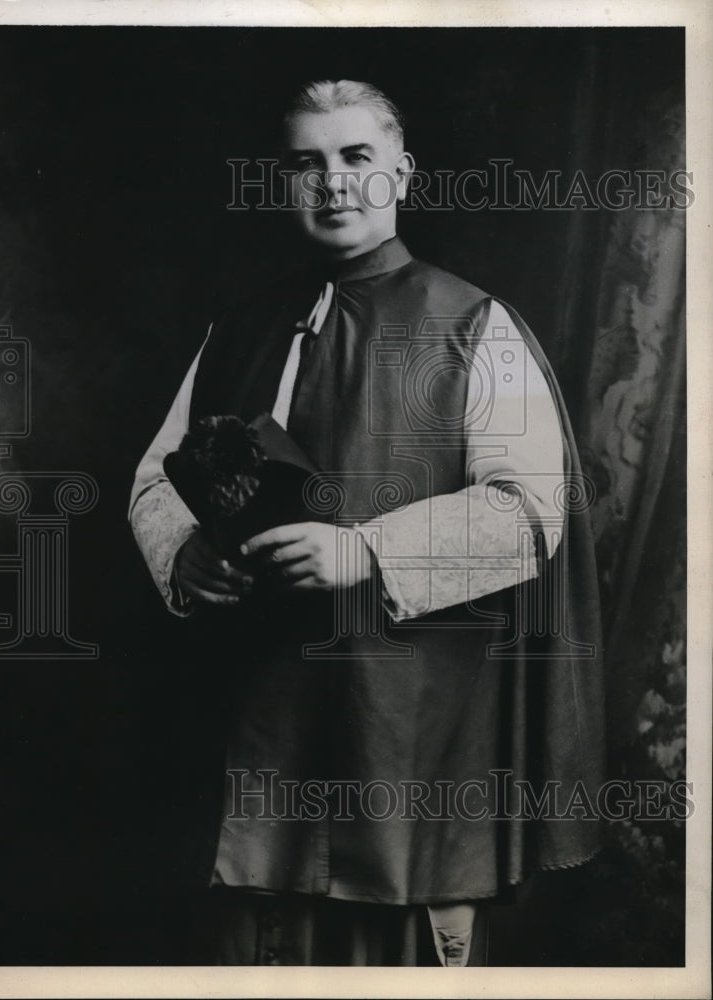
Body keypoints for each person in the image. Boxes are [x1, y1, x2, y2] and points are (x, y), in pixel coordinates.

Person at [129, 80, 605, 966]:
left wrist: (366, 552)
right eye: (306, 164)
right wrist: (183, 552)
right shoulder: (236, 331)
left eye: (356, 158)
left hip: (413, 746)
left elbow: (531, 513)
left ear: (402, 174)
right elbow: (156, 479)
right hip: (258, 745)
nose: (333, 184)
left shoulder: (474, 325)